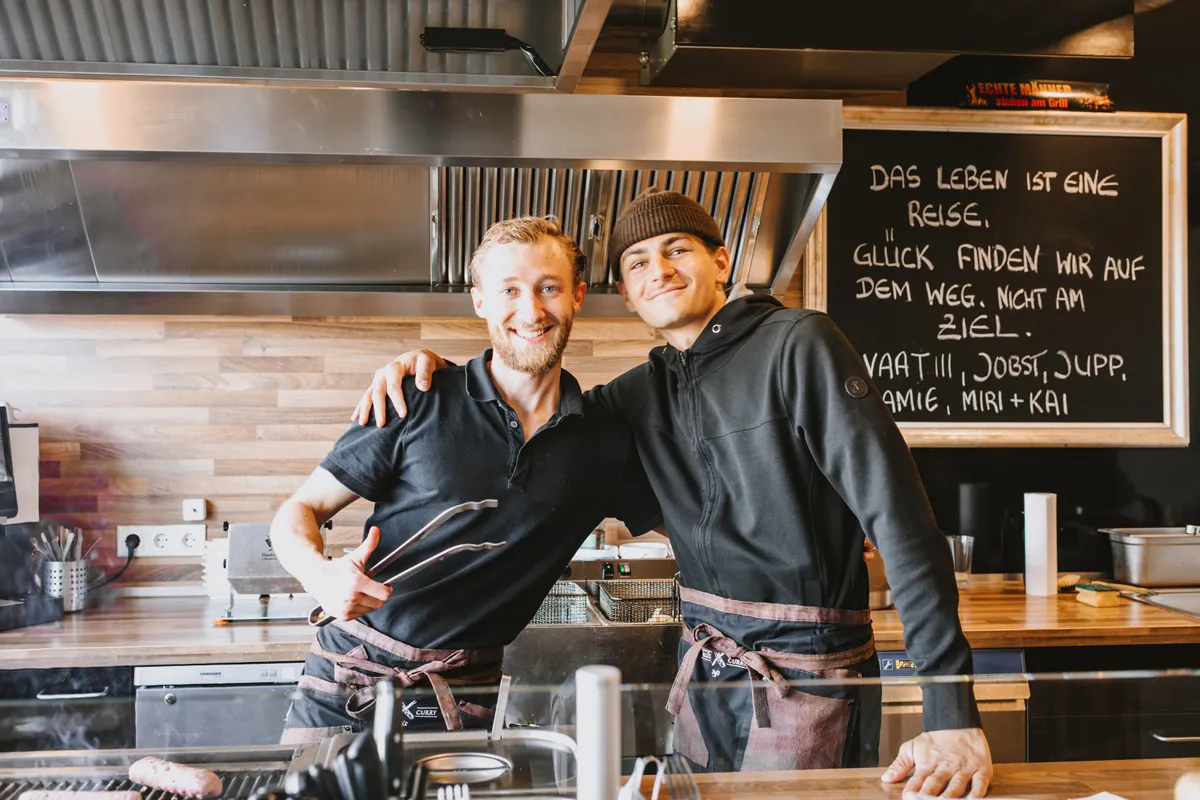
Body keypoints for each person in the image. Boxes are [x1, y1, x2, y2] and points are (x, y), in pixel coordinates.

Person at [353, 189, 994, 797]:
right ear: (627, 295)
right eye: (637, 261)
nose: (657, 269)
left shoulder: (800, 344)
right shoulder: (634, 397)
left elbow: (903, 525)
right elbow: (524, 416)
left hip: (806, 677)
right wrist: (426, 375)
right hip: (704, 669)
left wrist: (950, 708)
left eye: (676, 249)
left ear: (720, 262)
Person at [270, 216, 662, 743]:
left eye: (549, 288)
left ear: (578, 297)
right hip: (351, 680)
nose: (531, 310)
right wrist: (319, 575)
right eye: (509, 290)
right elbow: (299, 511)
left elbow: (690, 524)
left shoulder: (604, 443)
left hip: (468, 695)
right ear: (480, 301)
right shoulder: (416, 397)